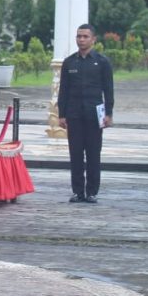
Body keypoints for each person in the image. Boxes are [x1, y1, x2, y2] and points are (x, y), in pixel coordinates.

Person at [57, 23, 114, 204]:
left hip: (94, 114)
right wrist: (61, 114)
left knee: (93, 153)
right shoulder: (69, 62)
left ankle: (91, 192)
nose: (81, 40)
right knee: (75, 154)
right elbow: (63, 91)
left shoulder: (102, 62)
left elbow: (108, 90)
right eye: (79, 36)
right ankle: (77, 191)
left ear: (93, 39)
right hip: (74, 114)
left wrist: (109, 113)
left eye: (85, 36)